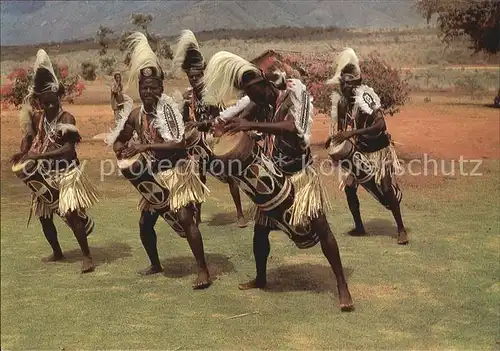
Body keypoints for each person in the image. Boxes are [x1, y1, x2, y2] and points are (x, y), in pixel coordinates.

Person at [203, 51, 354, 311]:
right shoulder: (257, 100)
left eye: (254, 90)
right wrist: (218, 126)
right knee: (260, 231)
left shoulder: (298, 92)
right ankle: (261, 278)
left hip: (301, 177)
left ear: (265, 82)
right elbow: (235, 117)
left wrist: (249, 125)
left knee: (321, 227)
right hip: (273, 176)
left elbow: (294, 128)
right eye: (248, 93)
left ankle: (342, 285)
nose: (252, 97)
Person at [107, 32, 212, 289]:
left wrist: (144, 145)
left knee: (186, 219)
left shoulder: (169, 110)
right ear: (140, 89)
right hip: (153, 175)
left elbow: (179, 143)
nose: (149, 91)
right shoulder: (135, 115)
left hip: (177, 171)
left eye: (154, 87)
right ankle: (155, 264)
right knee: (145, 224)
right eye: (145, 88)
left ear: (161, 88)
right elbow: (119, 140)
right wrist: (122, 150)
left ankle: (203, 271)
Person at [10, 49, 100, 273]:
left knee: (70, 213)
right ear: (39, 101)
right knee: (44, 216)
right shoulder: (39, 118)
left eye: (52, 103)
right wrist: (23, 153)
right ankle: (58, 252)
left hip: (67, 173)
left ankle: (87, 256)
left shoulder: (67, 118)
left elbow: (68, 150)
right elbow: (28, 139)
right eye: (44, 104)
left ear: (59, 98)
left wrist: (38, 156)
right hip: (45, 173)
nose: (48, 107)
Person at [325, 48, 408, 245]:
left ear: (352, 85)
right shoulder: (343, 103)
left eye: (344, 84)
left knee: (387, 190)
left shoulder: (367, 97)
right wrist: (335, 141)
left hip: (379, 151)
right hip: (361, 151)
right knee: (349, 187)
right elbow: (341, 130)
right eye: (340, 83)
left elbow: (381, 125)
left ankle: (401, 228)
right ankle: (359, 226)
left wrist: (352, 133)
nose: (341, 87)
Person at [173, 29, 248, 228]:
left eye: (197, 76)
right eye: (190, 77)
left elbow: (216, 118)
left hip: (215, 137)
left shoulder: (212, 93)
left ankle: (240, 213)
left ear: (203, 74)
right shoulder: (190, 96)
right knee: (198, 177)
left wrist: (199, 125)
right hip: (199, 143)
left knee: (231, 176)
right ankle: (197, 217)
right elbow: (185, 119)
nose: (194, 80)